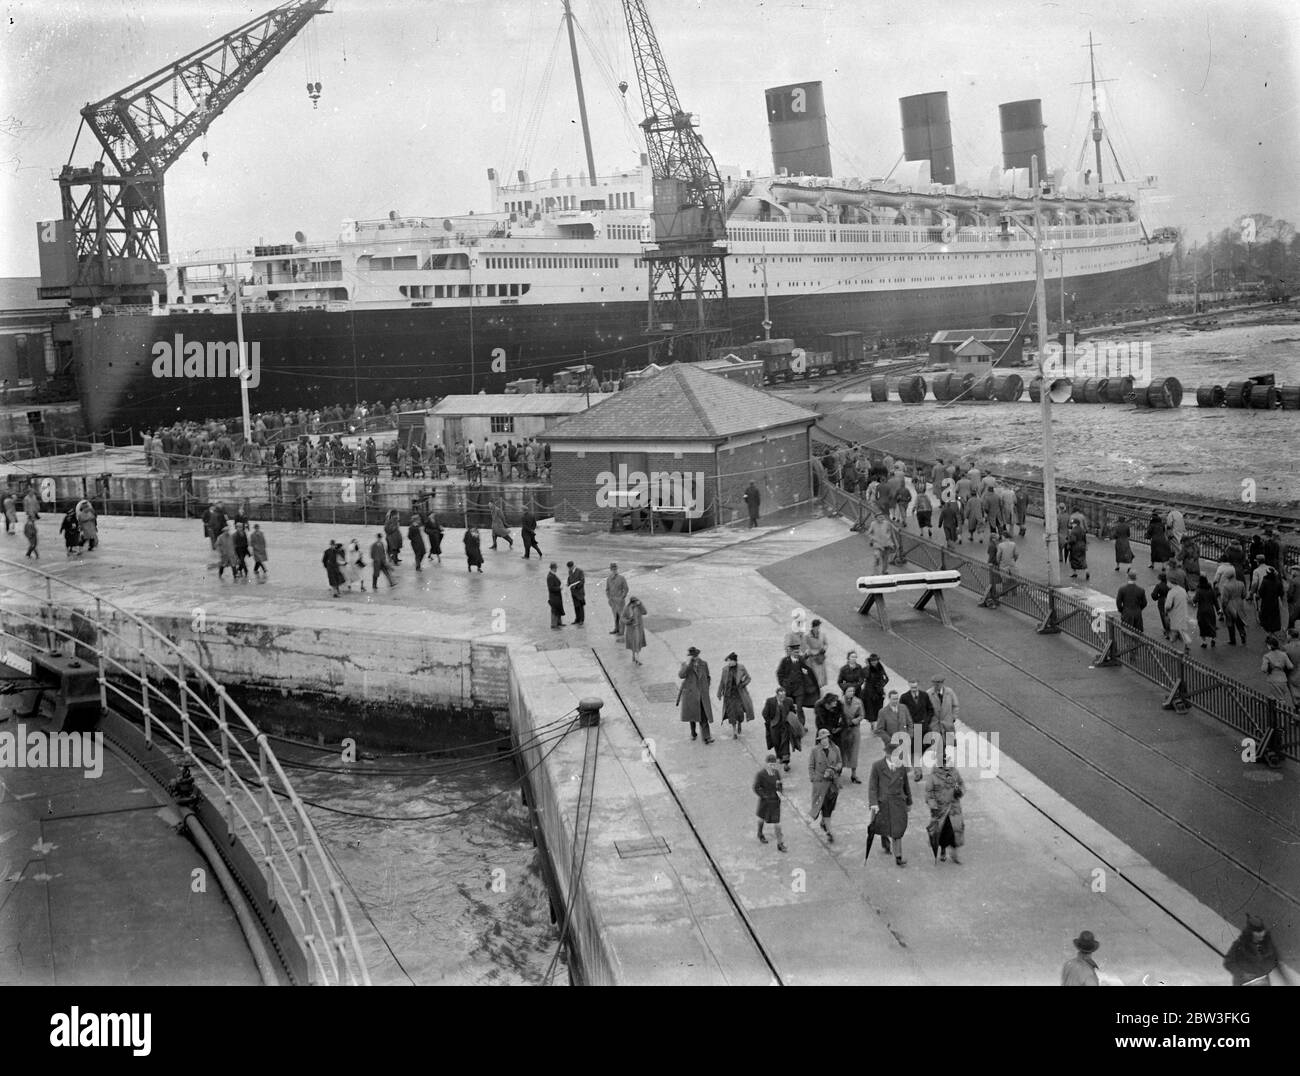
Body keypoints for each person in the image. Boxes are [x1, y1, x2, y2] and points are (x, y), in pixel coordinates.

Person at [868, 749, 912, 867]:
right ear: (886, 754)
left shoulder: (901, 766)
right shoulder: (877, 766)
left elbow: (906, 785)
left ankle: (898, 856)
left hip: (898, 803)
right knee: (884, 827)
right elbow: (873, 786)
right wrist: (873, 803)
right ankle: (885, 842)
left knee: (897, 830)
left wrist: (909, 802)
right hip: (883, 803)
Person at [924, 747, 966, 863]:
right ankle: (942, 850)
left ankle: (954, 853)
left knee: (955, 831)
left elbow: (961, 784)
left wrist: (960, 791)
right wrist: (933, 806)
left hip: (954, 808)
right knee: (941, 832)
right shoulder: (933, 776)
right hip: (941, 810)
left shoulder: (954, 772)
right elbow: (929, 793)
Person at [1223, 915, 1288, 986]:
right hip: (1244, 982)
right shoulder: (1239, 945)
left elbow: (1275, 961)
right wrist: (1242, 974)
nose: (1260, 935)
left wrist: (1285, 979)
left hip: (1262, 981)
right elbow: (1228, 962)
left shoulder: (1268, 944)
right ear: (1250, 933)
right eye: (1257, 932)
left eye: (1262, 932)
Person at [809, 728, 843, 842]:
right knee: (825, 807)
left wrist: (835, 768)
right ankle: (829, 832)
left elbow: (840, 762)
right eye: (821, 739)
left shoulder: (835, 749)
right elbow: (811, 766)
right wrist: (814, 778)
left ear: (829, 738)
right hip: (820, 784)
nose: (824, 741)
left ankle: (824, 822)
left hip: (832, 783)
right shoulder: (815, 751)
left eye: (826, 738)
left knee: (830, 806)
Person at [678, 646, 713, 743]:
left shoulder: (704, 664)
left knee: (704, 715)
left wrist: (706, 687)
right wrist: (687, 664)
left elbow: (708, 677)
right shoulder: (686, 665)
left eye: (695, 656)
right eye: (692, 656)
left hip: (701, 694)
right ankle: (693, 733)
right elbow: (681, 675)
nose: (695, 658)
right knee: (692, 716)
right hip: (691, 695)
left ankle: (707, 737)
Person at [753, 751, 786, 851]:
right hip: (765, 802)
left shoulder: (776, 773)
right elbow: (756, 787)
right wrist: (763, 795)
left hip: (775, 801)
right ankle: (760, 833)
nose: (772, 766)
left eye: (773, 764)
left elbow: (779, 784)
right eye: (770, 764)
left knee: (777, 823)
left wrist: (780, 793)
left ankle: (780, 843)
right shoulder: (761, 774)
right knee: (762, 818)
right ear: (766, 764)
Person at [717, 652, 754, 737]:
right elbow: (722, 682)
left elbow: (748, 678)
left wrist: (743, 684)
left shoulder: (741, 668)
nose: (729, 663)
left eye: (730, 661)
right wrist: (719, 693)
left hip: (739, 694)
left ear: (735, 661)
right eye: (728, 661)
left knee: (740, 712)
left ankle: (740, 722)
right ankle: (734, 731)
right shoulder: (725, 669)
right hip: (729, 695)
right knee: (731, 713)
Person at [763, 687, 798, 770]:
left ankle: (786, 762)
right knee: (776, 742)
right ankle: (779, 756)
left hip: (784, 725)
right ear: (777, 695)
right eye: (781, 696)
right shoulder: (770, 701)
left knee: (785, 742)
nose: (783, 698)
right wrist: (770, 722)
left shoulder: (789, 701)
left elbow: (792, 711)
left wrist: (792, 715)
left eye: (784, 696)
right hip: (774, 726)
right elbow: (764, 713)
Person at [1261, 636, 1294, 710]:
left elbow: (1263, 669)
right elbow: (1290, 666)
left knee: (1274, 698)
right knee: (1282, 698)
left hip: (1272, 679)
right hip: (1283, 679)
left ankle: (1277, 715)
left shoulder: (1267, 656)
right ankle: (1282, 711)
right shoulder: (1283, 654)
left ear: (1269, 645)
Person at [1219, 567, 1248, 646]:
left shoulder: (1226, 586)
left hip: (1230, 605)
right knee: (1239, 621)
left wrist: (1223, 608)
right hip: (1239, 604)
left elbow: (1224, 600)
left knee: (1230, 623)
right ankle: (1242, 634)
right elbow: (1244, 595)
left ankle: (1232, 640)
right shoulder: (1241, 583)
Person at [1165, 576, 1194, 654]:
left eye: (1167, 582)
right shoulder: (1183, 590)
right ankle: (1185, 646)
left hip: (1175, 615)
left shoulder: (1171, 592)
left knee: (1174, 632)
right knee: (1182, 630)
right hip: (1183, 614)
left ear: (1171, 583)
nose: (1167, 584)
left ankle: (1173, 650)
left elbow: (1168, 605)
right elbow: (1187, 599)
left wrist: (1166, 611)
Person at [1115, 569, 1147, 633]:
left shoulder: (1122, 589)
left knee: (1126, 632)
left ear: (1128, 577)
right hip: (1137, 613)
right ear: (1136, 578)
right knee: (1137, 633)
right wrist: (1139, 608)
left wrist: (1122, 610)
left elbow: (1118, 602)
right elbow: (1144, 603)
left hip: (1126, 612)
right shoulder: (1141, 590)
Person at [929, 675, 959, 740]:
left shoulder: (949, 692)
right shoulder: (929, 693)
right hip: (935, 725)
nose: (936, 685)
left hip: (948, 724)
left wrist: (953, 717)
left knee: (949, 745)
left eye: (938, 683)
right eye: (935, 683)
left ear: (942, 683)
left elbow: (955, 706)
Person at [1193, 574, 1219, 648]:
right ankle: (1213, 639)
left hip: (1202, 611)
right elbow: (1215, 601)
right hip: (1211, 610)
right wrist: (1219, 610)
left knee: (1202, 626)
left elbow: (1194, 600)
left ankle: (1204, 642)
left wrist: (1193, 602)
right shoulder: (1211, 590)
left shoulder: (1199, 590)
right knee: (1212, 625)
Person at [803, 618, 828, 688]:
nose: (818, 628)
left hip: (820, 657)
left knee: (820, 674)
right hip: (812, 658)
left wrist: (824, 649)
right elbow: (804, 646)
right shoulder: (807, 636)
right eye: (816, 626)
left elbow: (826, 643)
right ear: (813, 627)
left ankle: (819, 686)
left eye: (818, 626)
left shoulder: (822, 634)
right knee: (813, 674)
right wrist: (809, 651)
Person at [621, 596, 647, 665]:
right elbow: (622, 618)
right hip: (631, 629)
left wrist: (641, 604)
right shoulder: (626, 608)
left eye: (636, 602)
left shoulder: (639, 607)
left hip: (638, 628)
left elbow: (645, 612)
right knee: (633, 644)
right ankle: (634, 657)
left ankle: (637, 658)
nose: (635, 604)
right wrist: (628, 621)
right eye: (634, 602)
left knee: (637, 644)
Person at [606, 562, 628, 636]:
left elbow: (626, 589)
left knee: (621, 616)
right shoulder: (608, 579)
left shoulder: (621, 578)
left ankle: (621, 631)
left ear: (617, 569)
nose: (614, 570)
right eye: (613, 569)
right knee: (615, 616)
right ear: (610, 569)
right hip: (613, 601)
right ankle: (616, 629)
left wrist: (622, 597)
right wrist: (609, 598)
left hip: (620, 601)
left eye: (615, 568)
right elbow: (607, 590)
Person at [1151, 571, 1172, 640]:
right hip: (1170, 600)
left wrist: (1158, 598)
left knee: (1163, 616)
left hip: (1162, 601)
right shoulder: (1170, 585)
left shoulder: (1159, 585)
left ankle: (1167, 631)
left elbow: (1154, 595)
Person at [566, 561, 586, 625]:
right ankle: (577, 619)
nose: (569, 569)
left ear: (573, 566)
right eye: (569, 568)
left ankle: (581, 620)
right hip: (573, 592)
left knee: (580, 606)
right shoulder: (570, 571)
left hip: (579, 592)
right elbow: (569, 578)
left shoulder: (580, 571)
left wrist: (576, 586)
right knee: (576, 606)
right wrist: (568, 583)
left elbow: (582, 581)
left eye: (570, 568)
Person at [546, 562, 565, 628]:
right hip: (554, 596)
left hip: (557, 595)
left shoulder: (553, 575)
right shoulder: (550, 577)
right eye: (556, 568)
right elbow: (551, 588)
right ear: (553, 568)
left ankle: (559, 622)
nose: (556, 569)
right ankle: (554, 624)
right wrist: (559, 588)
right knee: (554, 610)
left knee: (558, 608)